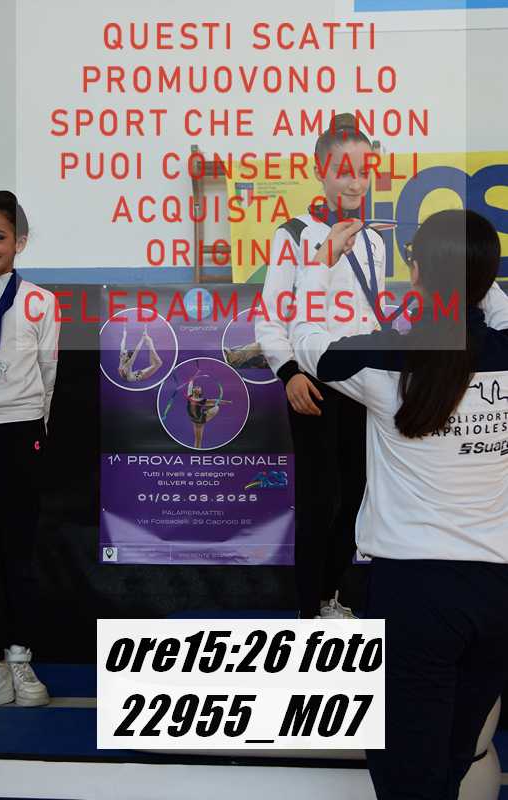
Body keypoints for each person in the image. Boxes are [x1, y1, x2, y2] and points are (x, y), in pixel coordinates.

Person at [292, 208, 508, 799]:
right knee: (451, 762)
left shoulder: (383, 357)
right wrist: (471, 278)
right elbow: (494, 309)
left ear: (416, 273)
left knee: (408, 776)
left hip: (414, 594)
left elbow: (307, 341)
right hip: (496, 595)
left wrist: (321, 263)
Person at [255, 112, 386, 618]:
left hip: (366, 386)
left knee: (358, 494)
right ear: (319, 170)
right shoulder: (293, 234)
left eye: (363, 170)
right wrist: (289, 373)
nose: (355, 181)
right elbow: (271, 317)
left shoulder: (374, 241)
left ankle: (332, 596)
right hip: (313, 385)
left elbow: (371, 314)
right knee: (318, 500)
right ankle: (307, 609)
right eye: (342, 170)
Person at [0, 190, 59, 709]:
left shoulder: (39, 301)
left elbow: (49, 372)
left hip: (20, 432)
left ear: (19, 242)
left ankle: (21, 658)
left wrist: (35, 428)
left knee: (19, 551)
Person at [186, 378, 231, 449]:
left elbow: (215, 400)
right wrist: (192, 380)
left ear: (200, 392)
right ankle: (196, 452)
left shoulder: (202, 400)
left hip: (201, 420)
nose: (196, 387)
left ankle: (205, 410)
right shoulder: (189, 396)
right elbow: (190, 386)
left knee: (216, 407)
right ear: (193, 390)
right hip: (194, 421)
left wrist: (227, 402)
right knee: (198, 440)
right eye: (195, 387)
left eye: (198, 388)